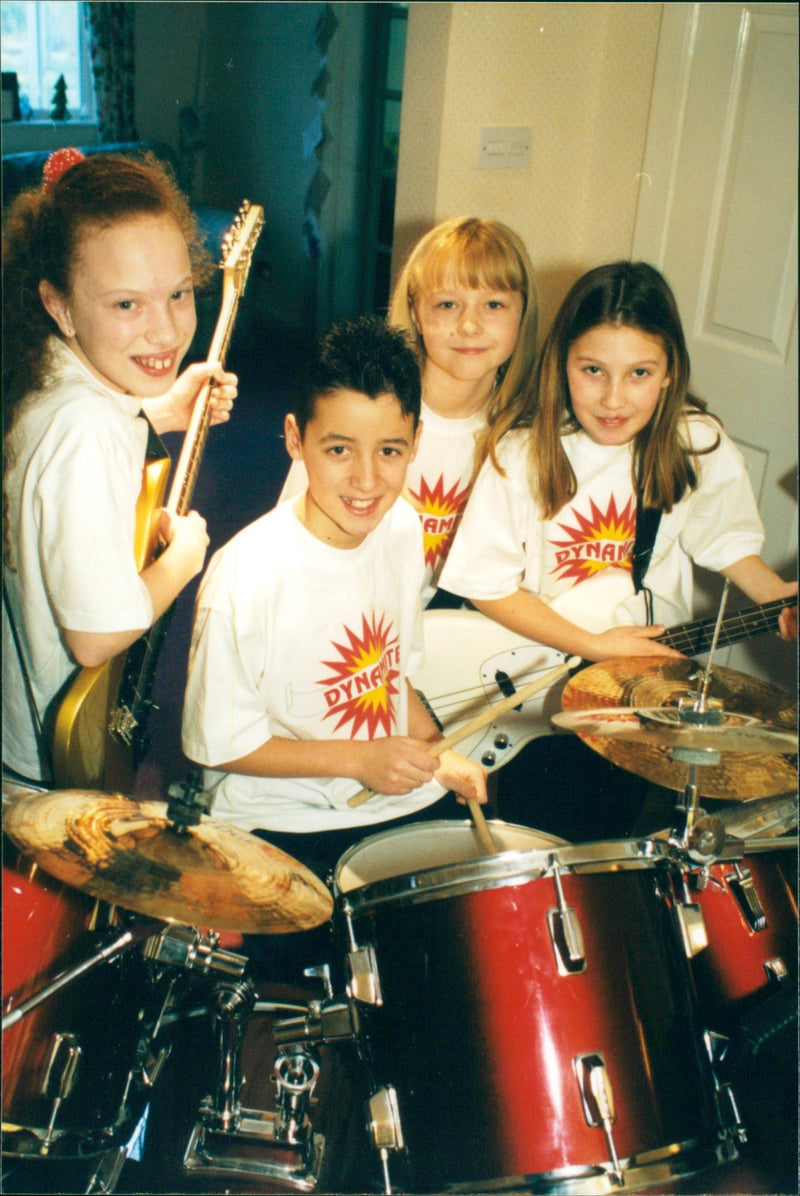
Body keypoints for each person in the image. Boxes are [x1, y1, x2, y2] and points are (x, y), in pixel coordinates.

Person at [440, 261, 797, 840]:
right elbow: (486, 585)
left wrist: (773, 595)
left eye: (638, 373)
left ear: (668, 372)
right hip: (539, 680)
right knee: (542, 831)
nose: (613, 398)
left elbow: (727, 540)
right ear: (563, 363)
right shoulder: (523, 451)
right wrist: (592, 645)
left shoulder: (695, 442)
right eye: (592, 370)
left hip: (642, 692)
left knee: (617, 827)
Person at [182, 315, 487, 980]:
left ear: (416, 445)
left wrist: (440, 754)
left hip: (385, 796)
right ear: (296, 439)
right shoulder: (246, 577)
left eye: (390, 451)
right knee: (328, 996)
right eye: (339, 449)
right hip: (279, 819)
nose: (366, 482)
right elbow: (220, 744)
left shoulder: (402, 528)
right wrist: (363, 760)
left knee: (472, 949)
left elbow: (393, 673)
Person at [2, 149, 237, 784]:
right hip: (51, 759)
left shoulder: (48, 377)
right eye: (126, 305)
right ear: (61, 306)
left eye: (179, 294)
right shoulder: (91, 430)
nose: (163, 331)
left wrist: (158, 411)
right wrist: (184, 559)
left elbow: (68, 444)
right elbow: (96, 637)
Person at [280, 217, 539, 605]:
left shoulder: (525, 433)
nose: (469, 325)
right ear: (416, 312)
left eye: (494, 304)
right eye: (448, 304)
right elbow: (289, 544)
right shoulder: (363, 410)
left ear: (522, 313)